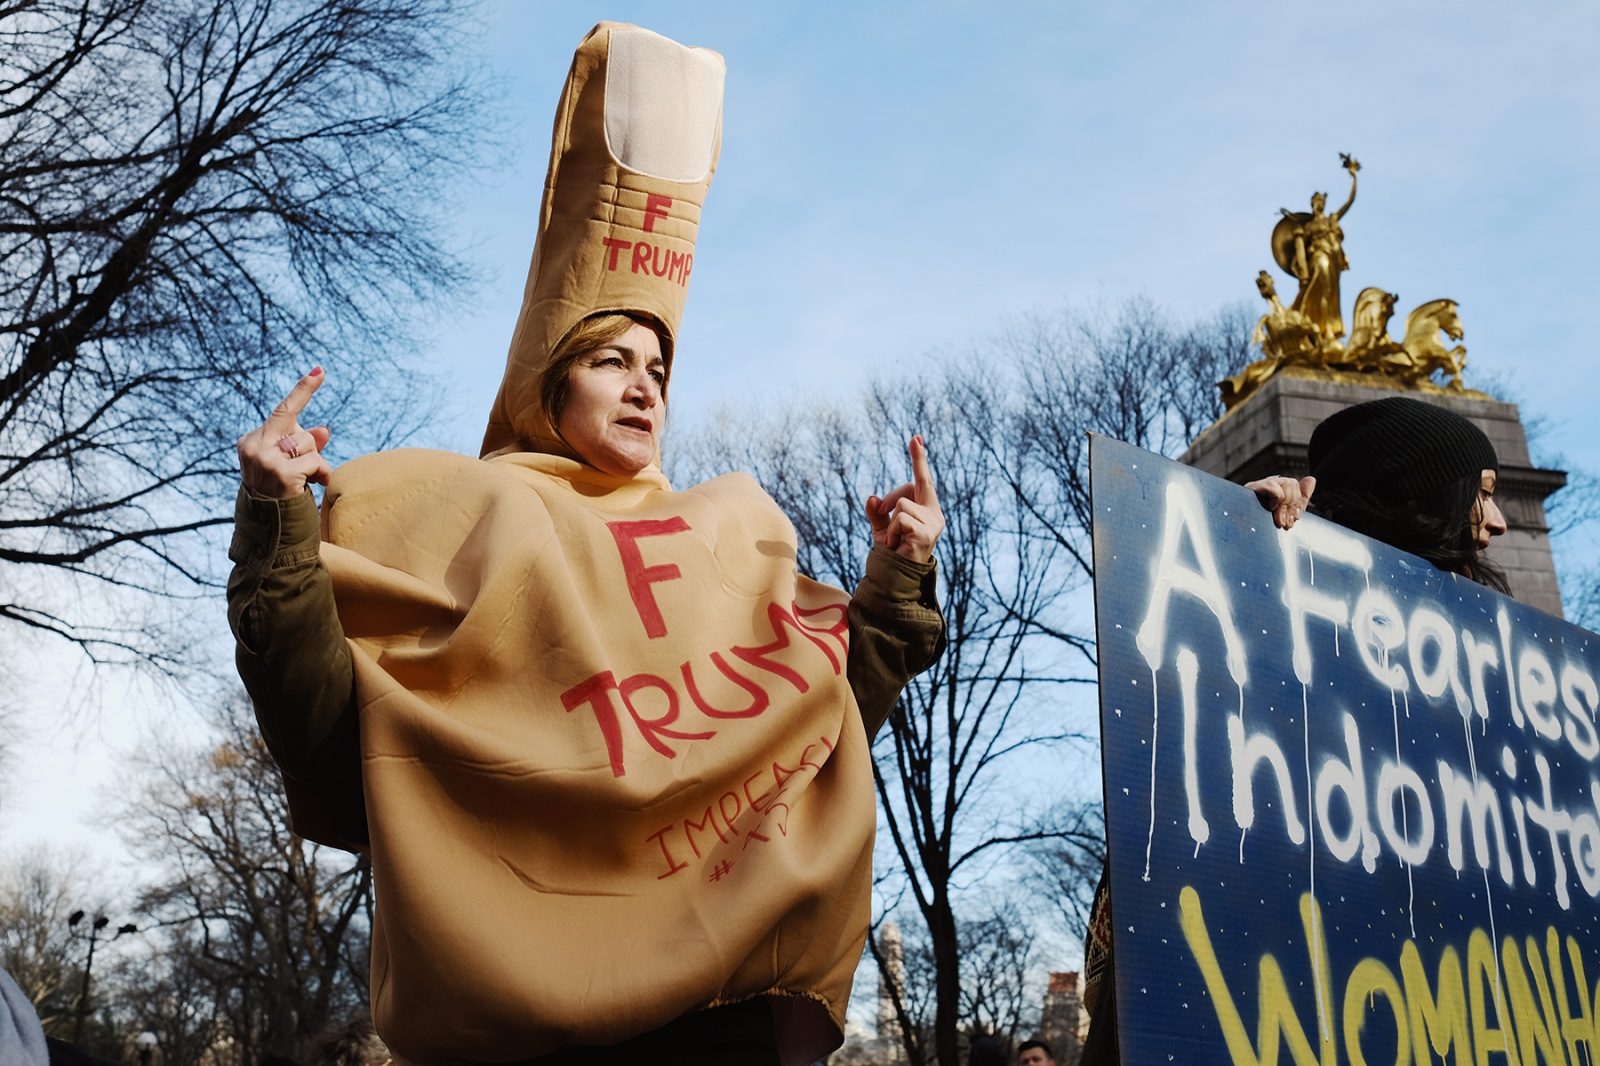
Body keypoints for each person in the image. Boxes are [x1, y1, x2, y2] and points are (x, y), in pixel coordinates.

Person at [229, 23, 945, 1066]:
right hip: (531, 1022)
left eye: (658, 364)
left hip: (718, 1023)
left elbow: (807, 741)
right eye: (611, 358)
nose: (645, 382)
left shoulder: (725, 537)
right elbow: (334, 732)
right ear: (549, 386)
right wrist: (276, 522)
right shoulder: (463, 520)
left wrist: (895, 584)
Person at [1081, 396, 1509, 1066]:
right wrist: (1239, 557)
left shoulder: (1508, 684)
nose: (1500, 523)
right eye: (1481, 496)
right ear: (1422, 498)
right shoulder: (1269, 650)